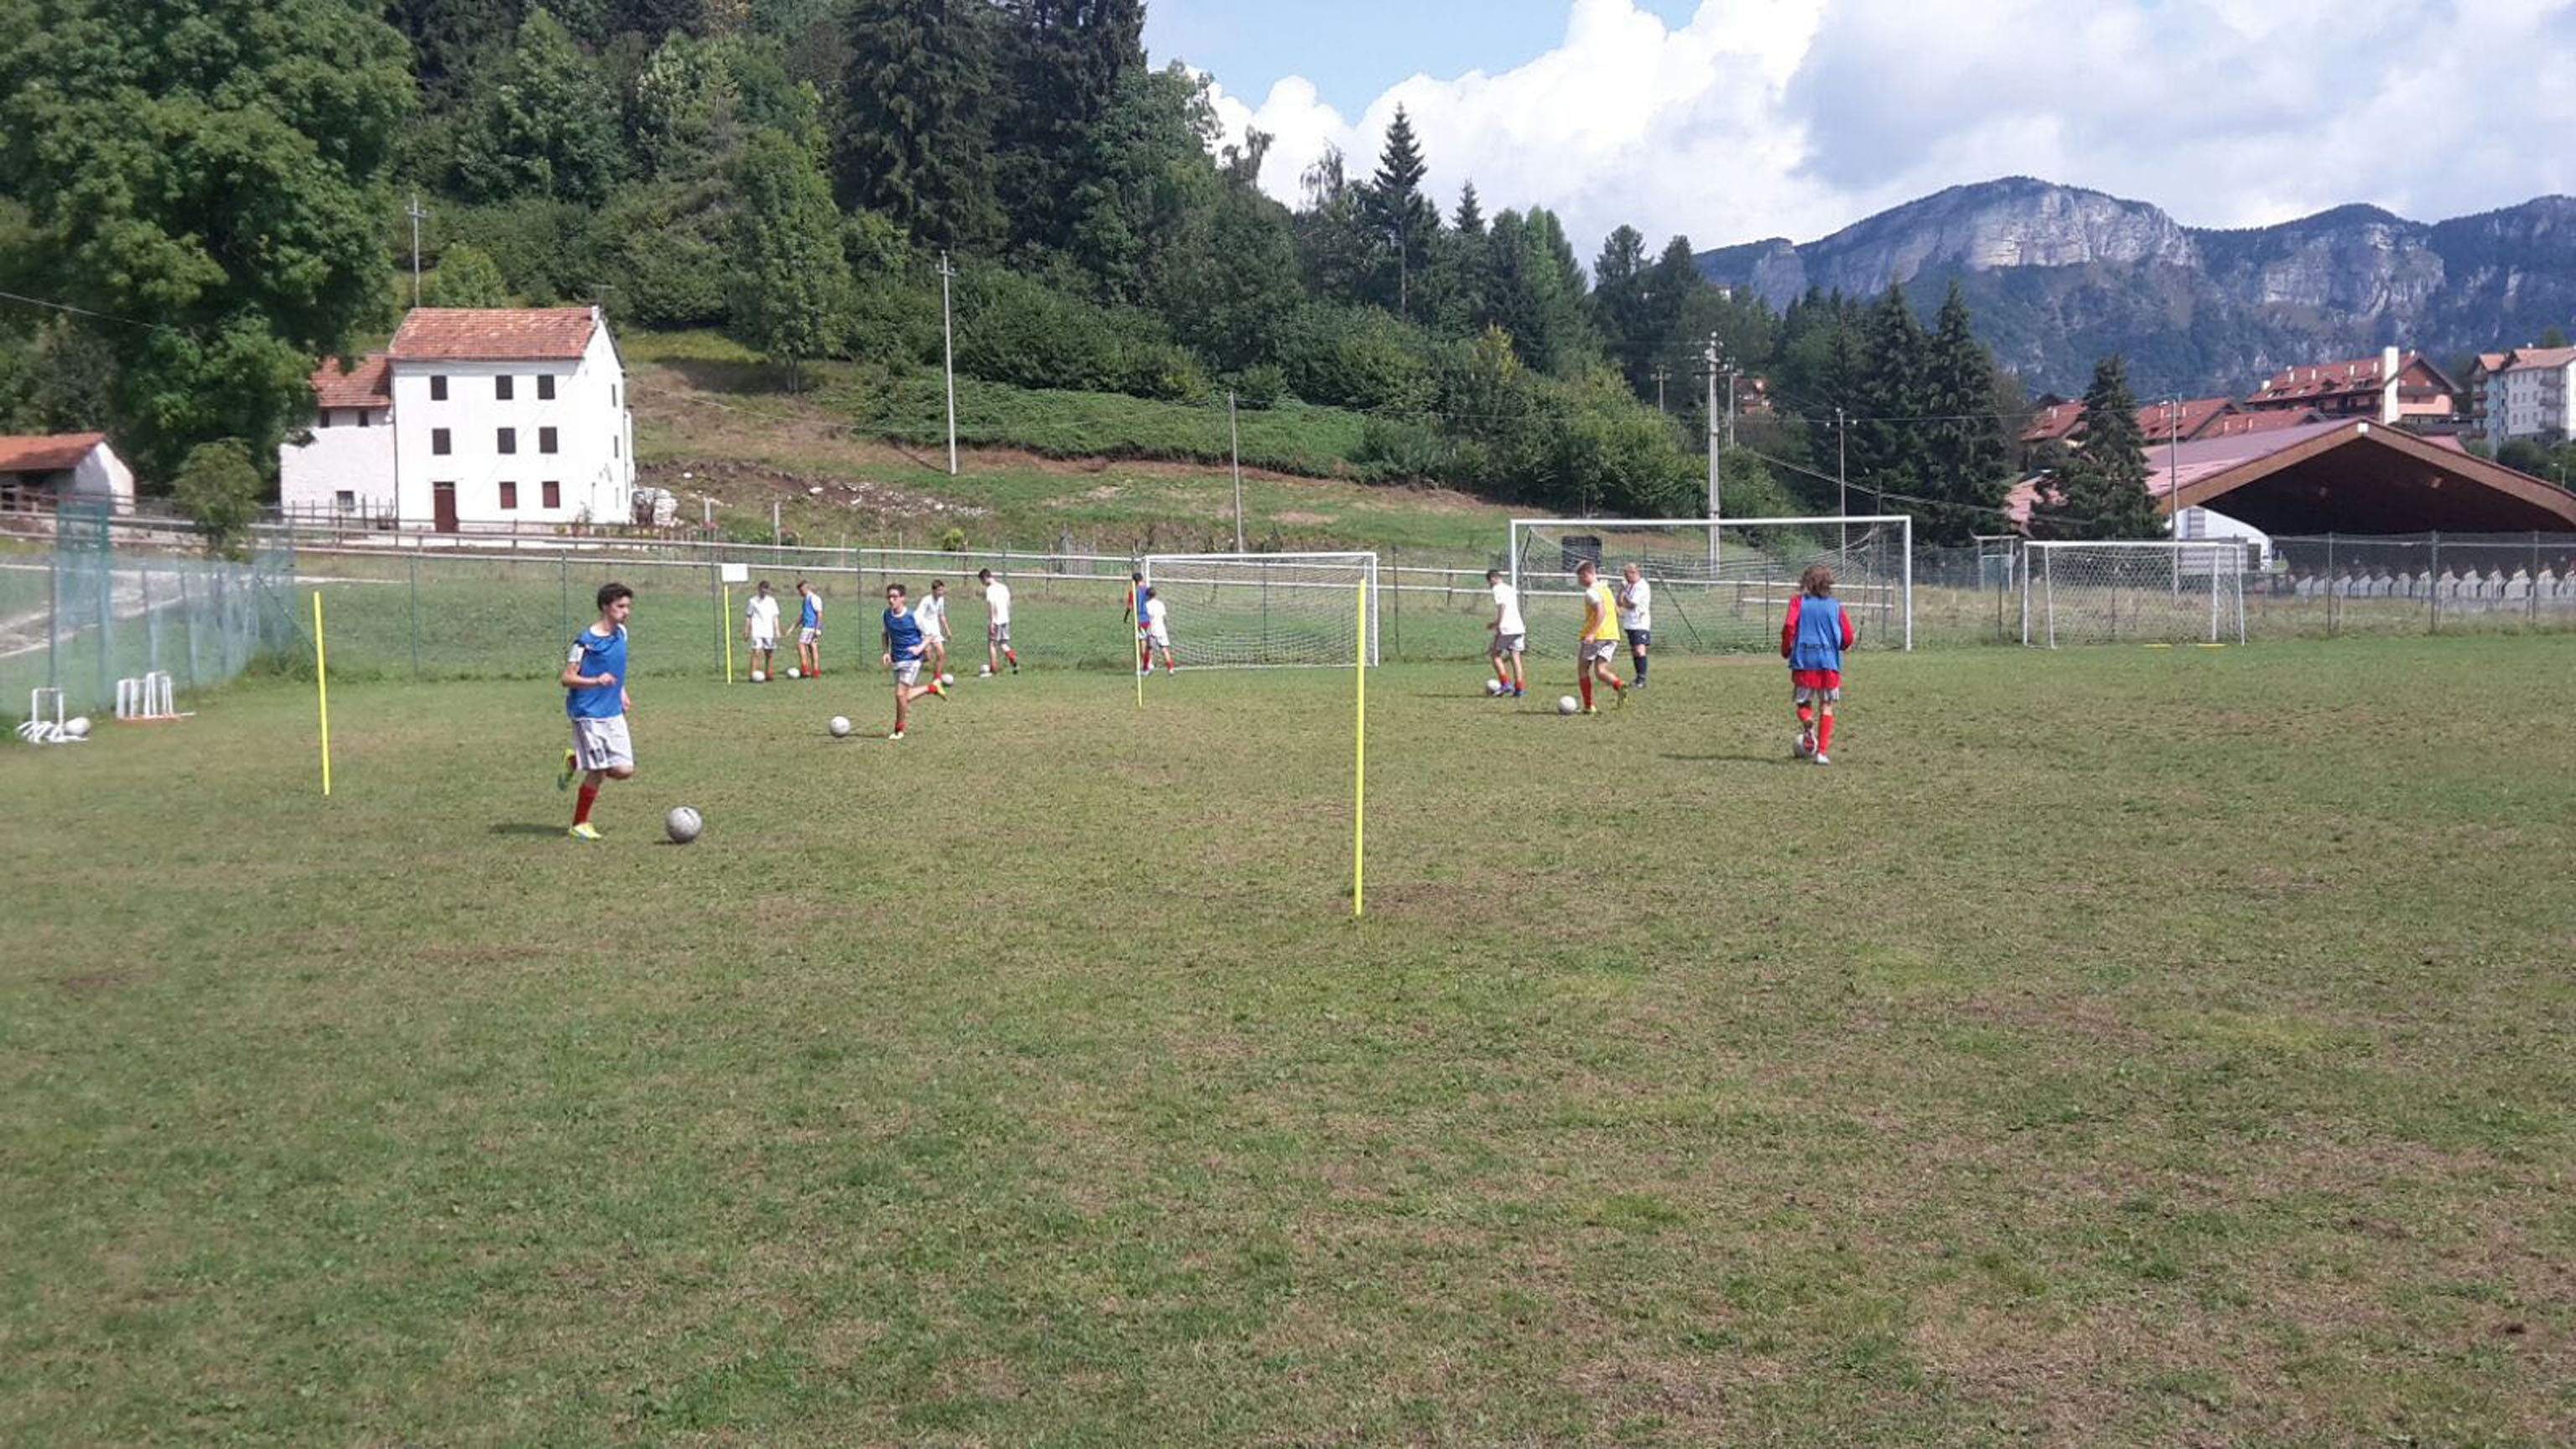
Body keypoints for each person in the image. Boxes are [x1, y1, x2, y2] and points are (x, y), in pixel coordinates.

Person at [557, 582, 636, 840]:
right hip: (588, 713)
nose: (626, 612)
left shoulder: (621, 633)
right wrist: (595, 681)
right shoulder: (585, 642)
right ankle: (579, 824)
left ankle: (576, 760)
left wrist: (621, 690)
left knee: (624, 770)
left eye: (628, 606)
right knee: (599, 770)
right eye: (620, 606)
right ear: (605, 607)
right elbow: (566, 678)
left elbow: (616, 666)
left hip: (613, 711)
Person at [1781, 563, 1856, 766]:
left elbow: (1789, 626)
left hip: (1804, 661)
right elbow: (1847, 636)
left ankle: (1807, 722)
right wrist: (1842, 645)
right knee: (1827, 706)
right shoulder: (1835, 606)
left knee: (1803, 703)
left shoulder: (1798, 602)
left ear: (1805, 582)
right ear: (1828, 583)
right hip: (1828, 663)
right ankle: (1821, 753)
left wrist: (1786, 648)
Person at [880, 582, 948, 740]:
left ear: (903, 598)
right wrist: (886, 652)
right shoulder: (885, 615)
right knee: (905, 696)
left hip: (912, 660)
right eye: (889, 597)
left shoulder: (914, 616)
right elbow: (885, 634)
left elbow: (930, 635)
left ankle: (898, 730)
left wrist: (919, 649)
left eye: (895, 597)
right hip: (897, 659)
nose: (891, 600)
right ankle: (931, 688)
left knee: (899, 695)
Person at [1574, 559, 1628, 714]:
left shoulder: (1591, 592)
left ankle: (1588, 706)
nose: (1579, 581)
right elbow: (1617, 611)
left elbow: (1601, 612)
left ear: (1587, 574)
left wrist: (1591, 633)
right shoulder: (1606, 590)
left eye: (1580, 577)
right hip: (1613, 635)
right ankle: (1618, 684)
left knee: (1583, 669)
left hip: (1597, 635)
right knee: (1600, 670)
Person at [1485, 569, 1526, 697]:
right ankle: (1519, 688)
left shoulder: (1497, 589)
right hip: (1518, 626)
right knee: (1515, 657)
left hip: (1506, 628)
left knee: (1495, 654)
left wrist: (1497, 623)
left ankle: (1505, 684)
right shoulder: (1510, 589)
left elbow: (1502, 606)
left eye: (1489, 582)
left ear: (1493, 578)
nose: (1490, 585)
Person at [1617, 562, 1654, 688]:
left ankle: (1642, 679)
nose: (1626, 578)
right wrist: (1622, 590)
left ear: (1635, 573)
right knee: (1634, 651)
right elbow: (1619, 602)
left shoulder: (1641, 586)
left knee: (1639, 649)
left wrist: (1624, 602)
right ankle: (1638, 677)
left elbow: (1632, 604)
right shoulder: (1629, 585)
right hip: (1630, 623)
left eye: (1627, 575)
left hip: (1640, 623)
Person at [978, 567, 1019, 675]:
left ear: (985, 578)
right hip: (1005, 619)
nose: (982, 584)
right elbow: (1008, 603)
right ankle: (1012, 658)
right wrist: (1007, 616)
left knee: (991, 644)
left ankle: (993, 669)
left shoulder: (990, 590)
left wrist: (991, 622)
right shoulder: (1003, 587)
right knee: (1003, 643)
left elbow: (991, 605)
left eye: (982, 581)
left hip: (996, 620)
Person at [743, 579, 779, 680]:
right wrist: (746, 630)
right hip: (757, 630)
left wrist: (777, 630)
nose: (764, 591)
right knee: (756, 652)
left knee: (769, 653)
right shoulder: (752, 601)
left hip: (769, 631)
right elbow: (748, 616)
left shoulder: (772, 601)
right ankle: (752, 675)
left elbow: (775, 617)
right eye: (763, 589)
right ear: (759, 589)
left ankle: (769, 675)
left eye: (766, 589)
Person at [917, 578, 951, 678]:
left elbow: (941, 615)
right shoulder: (926, 600)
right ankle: (913, 663)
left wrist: (948, 631)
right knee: (928, 657)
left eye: (942, 590)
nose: (941, 592)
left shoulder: (941, 600)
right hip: (925, 632)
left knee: (941, 654)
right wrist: (923, 631)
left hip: (935, 631)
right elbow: (918, 616)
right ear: (933, 590)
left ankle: (937, 677)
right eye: (939, 590)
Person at [1140, 586, 1176, 673]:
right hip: (1162, 630)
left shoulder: (1147, 605)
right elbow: (1164, 617)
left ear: (1147, 595)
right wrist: (1166, 627)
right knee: (1164, 649)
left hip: (1153, 630)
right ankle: (1170, 669)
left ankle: (1145, 670)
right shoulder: (1160, 604)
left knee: (1149, 650)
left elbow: (1146, 618)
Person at [793, 579, 823, 678]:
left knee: (801, 645)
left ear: (806, 588)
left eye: (801, 591)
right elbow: (803, 615)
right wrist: (794, 626)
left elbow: (819, 614)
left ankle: (804, 669)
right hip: (810, 626)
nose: (800, 593)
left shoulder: (813, 598)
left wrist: (817, 628)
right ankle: (815, 671)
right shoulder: (805, 599)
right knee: (812, 647)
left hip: (810, 626)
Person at [1123, 569, 1150, 675]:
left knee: (1142, 643)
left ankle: (1145, 667)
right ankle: (1149, 664)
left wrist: (1125, 617)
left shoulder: (1133, 592)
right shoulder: (1148, 590)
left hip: (1139, 620)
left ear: (1134, 581)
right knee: (1148, 642)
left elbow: (1130, 607)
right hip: (1149, 619)